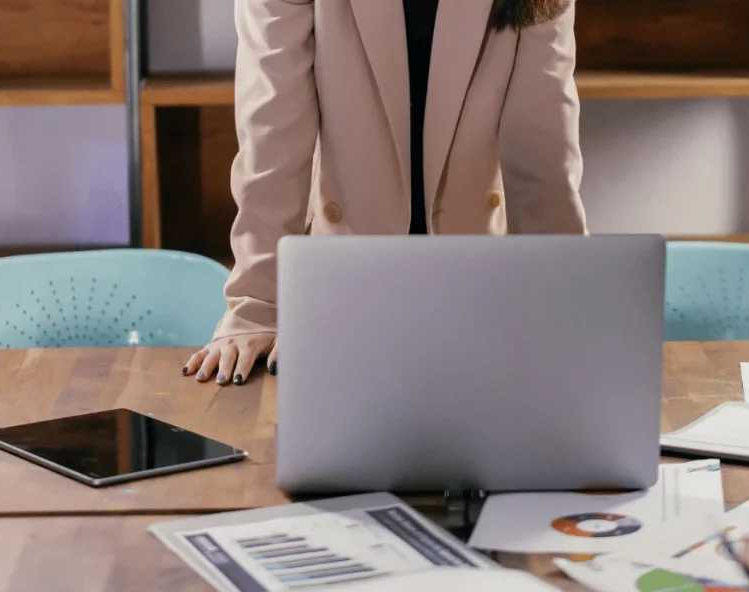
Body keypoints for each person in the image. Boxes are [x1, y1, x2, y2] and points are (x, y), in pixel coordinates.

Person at [184, 0, 588, 386]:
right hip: (347, 293)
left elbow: (544, 158)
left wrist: (566, 307)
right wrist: (259, 307)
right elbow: (273, 143)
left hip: (476, 294)